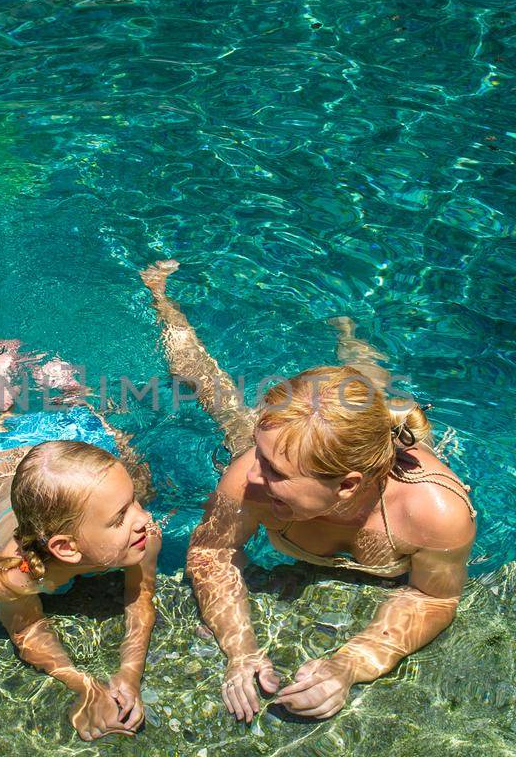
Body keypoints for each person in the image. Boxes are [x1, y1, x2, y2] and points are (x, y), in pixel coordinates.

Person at [140, 262, 476, 721]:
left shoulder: (433, 512)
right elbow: (212, 553)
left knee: (370, 393)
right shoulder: (250, 473)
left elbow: (434, 597)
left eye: (274, 471)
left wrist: (350, 665)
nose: (250, 478)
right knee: (214, 394)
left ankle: (350, 331)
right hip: (314, 455)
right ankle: (163, 301)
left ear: (347, 486)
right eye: (259, 457)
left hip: (374, 473)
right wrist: (241, 651)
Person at [0, 339, 161, 741]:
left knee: (135, 471)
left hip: (77, 462)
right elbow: (26, 630)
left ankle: (79, 398)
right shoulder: (17, 574)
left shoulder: (141, 535)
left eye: (135, 508)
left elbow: (140, 599)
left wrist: (129, 676)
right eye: (123, 515)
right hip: (11, 462)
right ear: (65, 549)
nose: (146, 521)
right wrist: (85, 687)